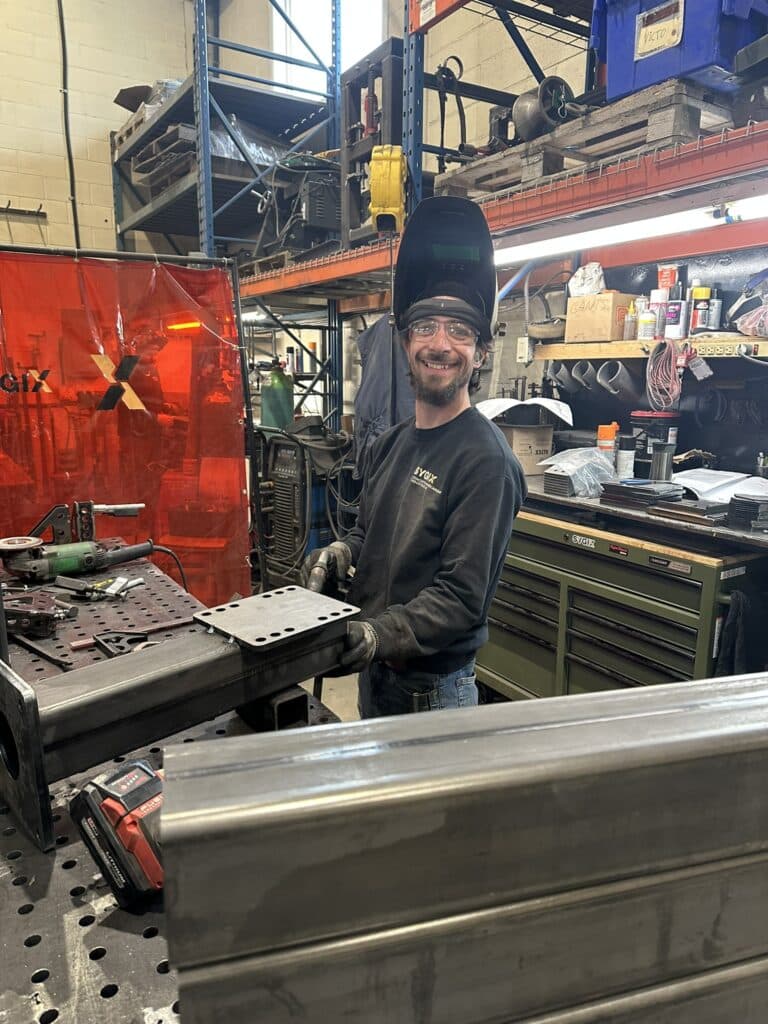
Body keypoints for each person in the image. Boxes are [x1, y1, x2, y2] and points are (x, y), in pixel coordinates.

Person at [303, 196, 527, 717]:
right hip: (377, 675)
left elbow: (460, 598)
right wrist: (342, 552)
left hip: (432, 694)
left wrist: (375, 635)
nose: (440, 344)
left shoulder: (486, 463)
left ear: (480, 353)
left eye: (459, 331)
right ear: (405, 343)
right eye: (426, 327)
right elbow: (370, 534)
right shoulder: (390, 444)